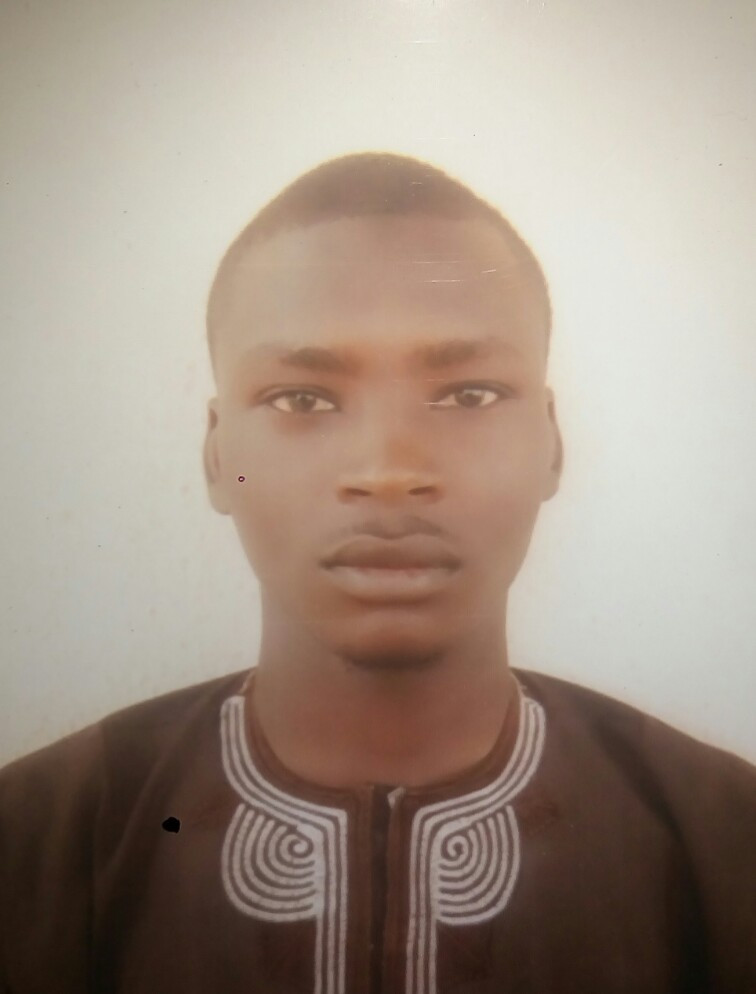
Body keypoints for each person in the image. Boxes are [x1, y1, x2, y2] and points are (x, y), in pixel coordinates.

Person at [1, 152, 754, 994]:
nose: (389, 469)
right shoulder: (29, 847)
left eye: (469, 395)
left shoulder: (729, 847)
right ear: (217, 457)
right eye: (303, 399)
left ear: (552, 444)